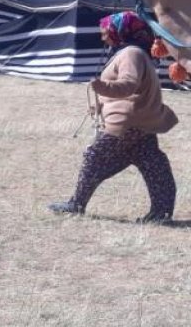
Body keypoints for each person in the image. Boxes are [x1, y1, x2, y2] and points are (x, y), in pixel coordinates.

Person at [48, 12, 178, 222]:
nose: (103, 38)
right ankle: (161, 213)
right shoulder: (133, 52)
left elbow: (129, 84)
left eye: (105, 33)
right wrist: (101, 104)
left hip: (128, 122)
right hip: (140, 120)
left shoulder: (130, 54)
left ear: (119, 32)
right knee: (153, 163)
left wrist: (101, 86)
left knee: (95, 157)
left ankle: (76, 204)